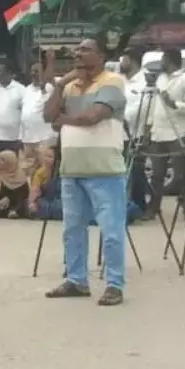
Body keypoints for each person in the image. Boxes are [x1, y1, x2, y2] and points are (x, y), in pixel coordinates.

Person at [44, 39, 129, 306]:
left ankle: (114, 284)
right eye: (77, 50)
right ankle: (76, 279)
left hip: (104, 170)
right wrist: (60, 84)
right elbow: (48, 115)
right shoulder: (70, 86)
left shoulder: (112, 82)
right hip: (72, 170)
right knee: (72, 229)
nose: (78, 53)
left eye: (85, 49)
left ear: (100, 56)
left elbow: (93, 116)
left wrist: (63, 119)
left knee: (111, 231)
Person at [146, 48, 185, 218]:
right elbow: (154, 105)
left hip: (177, 134)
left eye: (163, 59)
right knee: (157, 175)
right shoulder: (160, 79)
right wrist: (148, 126)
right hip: (157, 133)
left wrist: (174, 104)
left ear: (170, 60)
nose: (161, 63)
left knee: (181, 174)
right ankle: (153, 208)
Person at [0, 63, 26, 161]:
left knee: (10, 164)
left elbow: (25, 114)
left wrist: (22, 136)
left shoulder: (21, 89)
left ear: (9, 73)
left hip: (12, 137)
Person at [21, 62, 57, 168]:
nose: (33, 73)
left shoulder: (52, 87)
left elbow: (49, 105)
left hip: (46, 137)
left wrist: (43, 89)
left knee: (45, 168)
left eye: (36, 71)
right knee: (28, 169)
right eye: (32, 71)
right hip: (28, 138)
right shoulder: (26, 89)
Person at [28, 145, 62, 220]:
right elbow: (34, 190)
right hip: (45, 200)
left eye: (50, 157)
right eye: (45, 156)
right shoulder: (40, 173)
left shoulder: (63, 172)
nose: (45, 159)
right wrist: (31, 203)